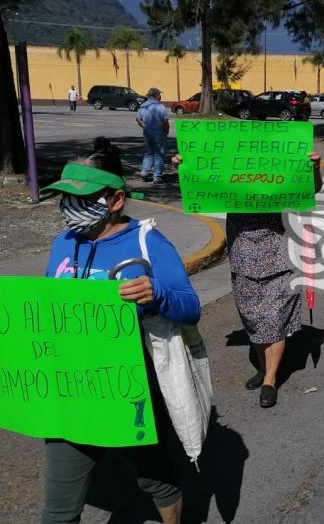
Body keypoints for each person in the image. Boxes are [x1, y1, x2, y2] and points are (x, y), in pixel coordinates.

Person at [39, 139, 200, 523]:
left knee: (155, 481)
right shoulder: (65, 241)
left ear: (115, 200)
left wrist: (155, 292)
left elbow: (190, 308)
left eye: (83, 199)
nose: (69, 208)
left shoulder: (148, 242)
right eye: (65, 198)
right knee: (57, 510)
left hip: (128, 388)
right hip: (71, 389)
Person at [173, 151, 322, 408]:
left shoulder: (281, 164)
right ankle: (264, 370)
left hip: (280, 252)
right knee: (253, 316)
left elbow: (310, 189)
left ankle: (270, 380)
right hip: (243, 252)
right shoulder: (230, 166)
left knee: (274, 318)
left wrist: (314, 169)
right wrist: (184, 168)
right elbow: (201, 185)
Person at [136, 88, 170, 184]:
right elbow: (165, 121)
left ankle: (144, 172)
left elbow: (138, 118)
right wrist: (166, 131)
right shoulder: (160, 106)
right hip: (158, 132)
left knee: (149, 153)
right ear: (156, 95)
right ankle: (157, 176)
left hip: (147, 132)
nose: (160, 96)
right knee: (159, 154)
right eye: (160, 94)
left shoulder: (144, 105)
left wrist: (145, 126)